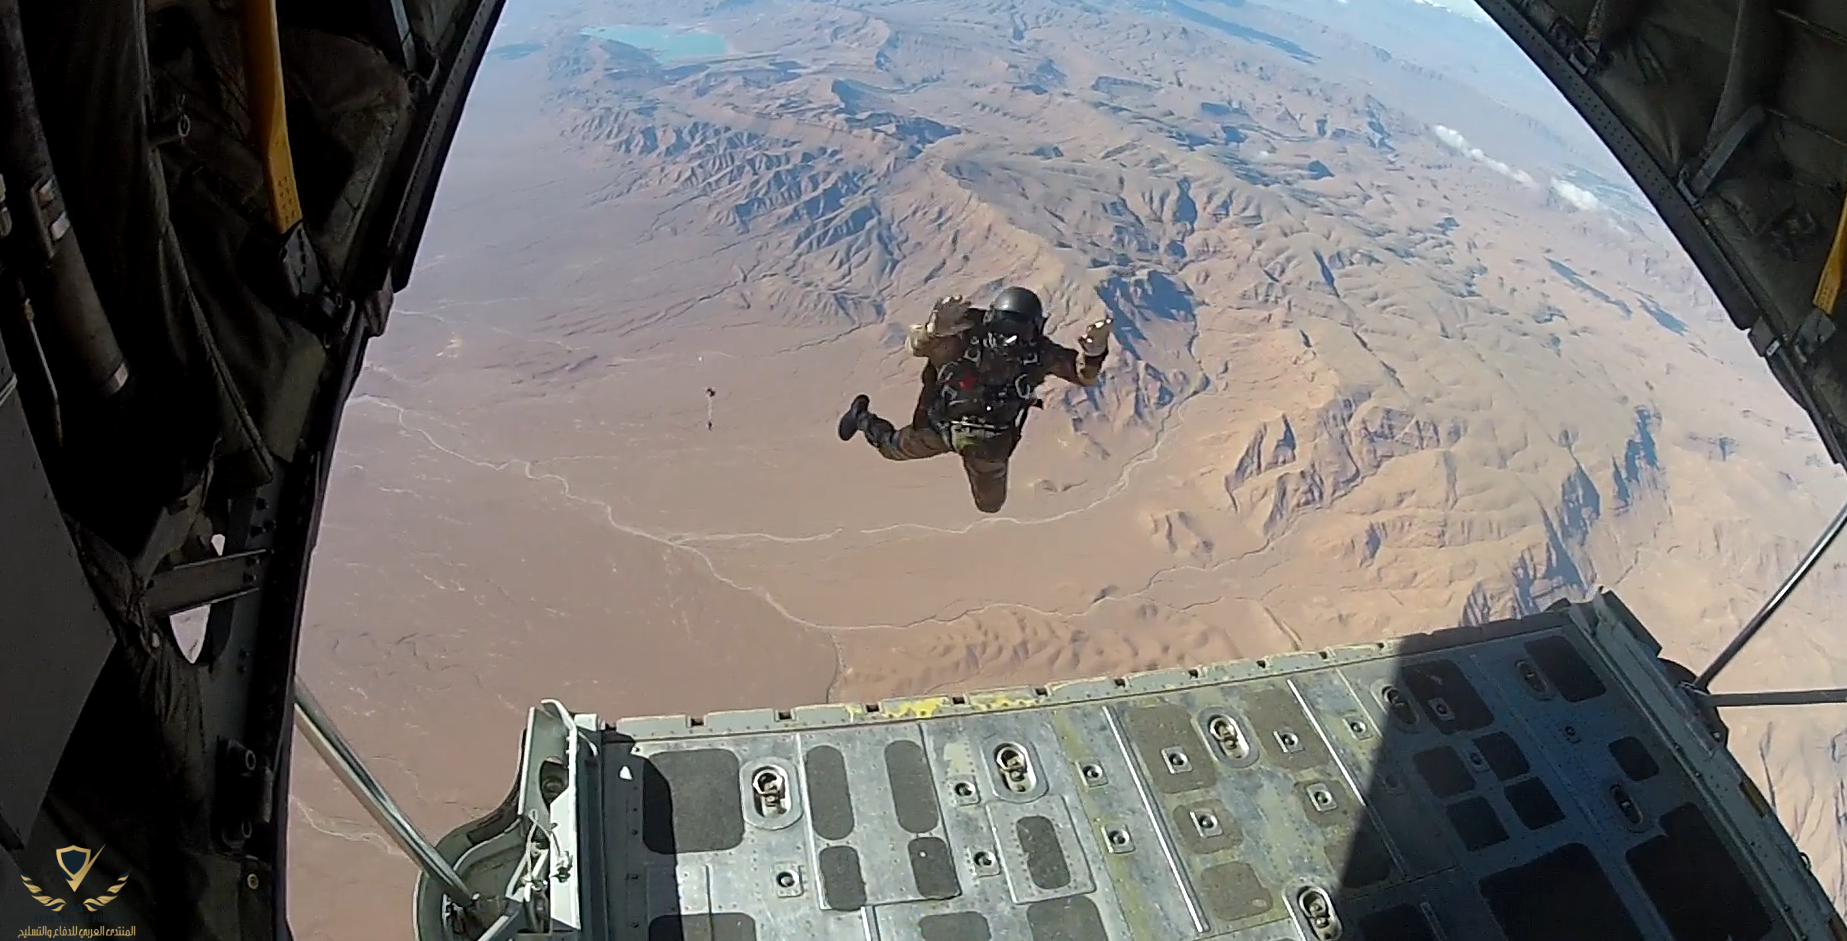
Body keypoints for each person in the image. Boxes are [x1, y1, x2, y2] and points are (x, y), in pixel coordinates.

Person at [837, 286, 1112, 513]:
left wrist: (1094, 354)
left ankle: (864, 419)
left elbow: (1082, 375)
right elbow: (915, 346)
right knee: (891, 448)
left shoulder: (1039, 352)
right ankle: (861, 417)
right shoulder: (963, 332)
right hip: (940, 426)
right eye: (1003, 328)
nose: (1010, 340)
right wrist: (932, 331)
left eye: (1020, 331)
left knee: (990, 505)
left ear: (1035, 330)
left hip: (989, 442)